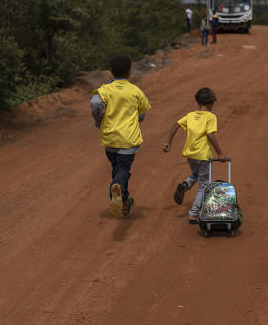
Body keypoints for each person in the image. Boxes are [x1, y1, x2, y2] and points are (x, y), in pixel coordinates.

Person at [91, 55, 151, 216]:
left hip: (109, 139)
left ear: (110, 72)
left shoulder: (105, 89)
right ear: (129, 72)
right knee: (123, 169)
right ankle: (116, 188)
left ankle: (123, 200)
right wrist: (136, 117)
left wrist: (99, 119)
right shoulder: (135, 91)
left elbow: (95, 103)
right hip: (128, 140)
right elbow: (143, 112)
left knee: (117, 168)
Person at [162, 87, 227, 224]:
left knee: (196, 175)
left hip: (190, 155)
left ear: (197, 102)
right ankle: (193, 213)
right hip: (203, 156)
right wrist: (220, 153)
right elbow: (210, 134)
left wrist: (168, 142)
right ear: (211, 104)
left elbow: (175, 125)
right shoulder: (211, 117)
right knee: (204, 184)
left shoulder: (190, 115)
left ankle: (185, 185)